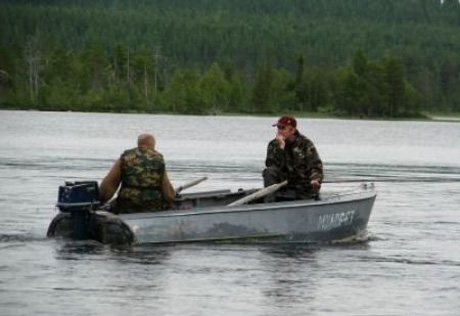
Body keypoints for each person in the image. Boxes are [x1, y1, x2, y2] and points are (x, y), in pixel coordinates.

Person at [99, 133, 175, 214]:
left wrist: (101, 201)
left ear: (138, 143)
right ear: (153, 145)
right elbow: (167, 192)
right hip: (152, 206)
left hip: (127, 204)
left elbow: (109, 185)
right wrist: (172, 200)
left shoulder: (127, 156)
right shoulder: (158, 158)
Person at [263, 115, 323, 201]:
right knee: (269, 171)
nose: (279, 131)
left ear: (292, 130)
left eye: (283, 128)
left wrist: (315, 179)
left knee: (310, 188)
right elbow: (272, 165)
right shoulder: (273, 145)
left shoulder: (305, 144)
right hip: (283, 183)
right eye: (278, 128)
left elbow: (315, 166)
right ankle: (269, 204)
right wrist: (281, 148)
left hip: (302, 183)